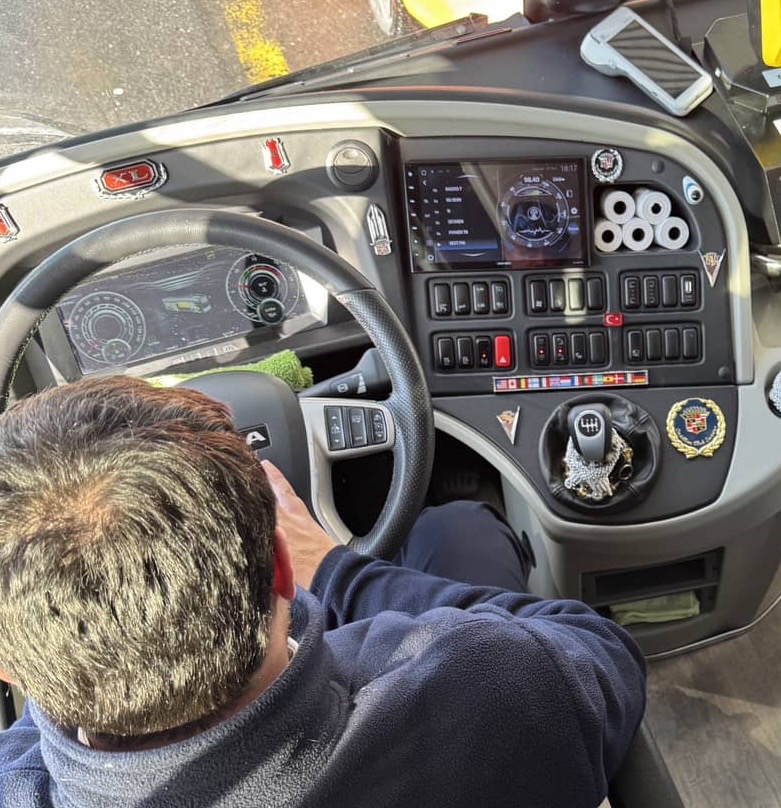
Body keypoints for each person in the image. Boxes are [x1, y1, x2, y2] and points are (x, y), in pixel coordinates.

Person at [0, 375, 645, 808]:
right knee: (458, 529)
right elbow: (601, 648)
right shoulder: (490, 685)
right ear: (283, 564)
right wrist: (336, 569)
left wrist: (62, 632)